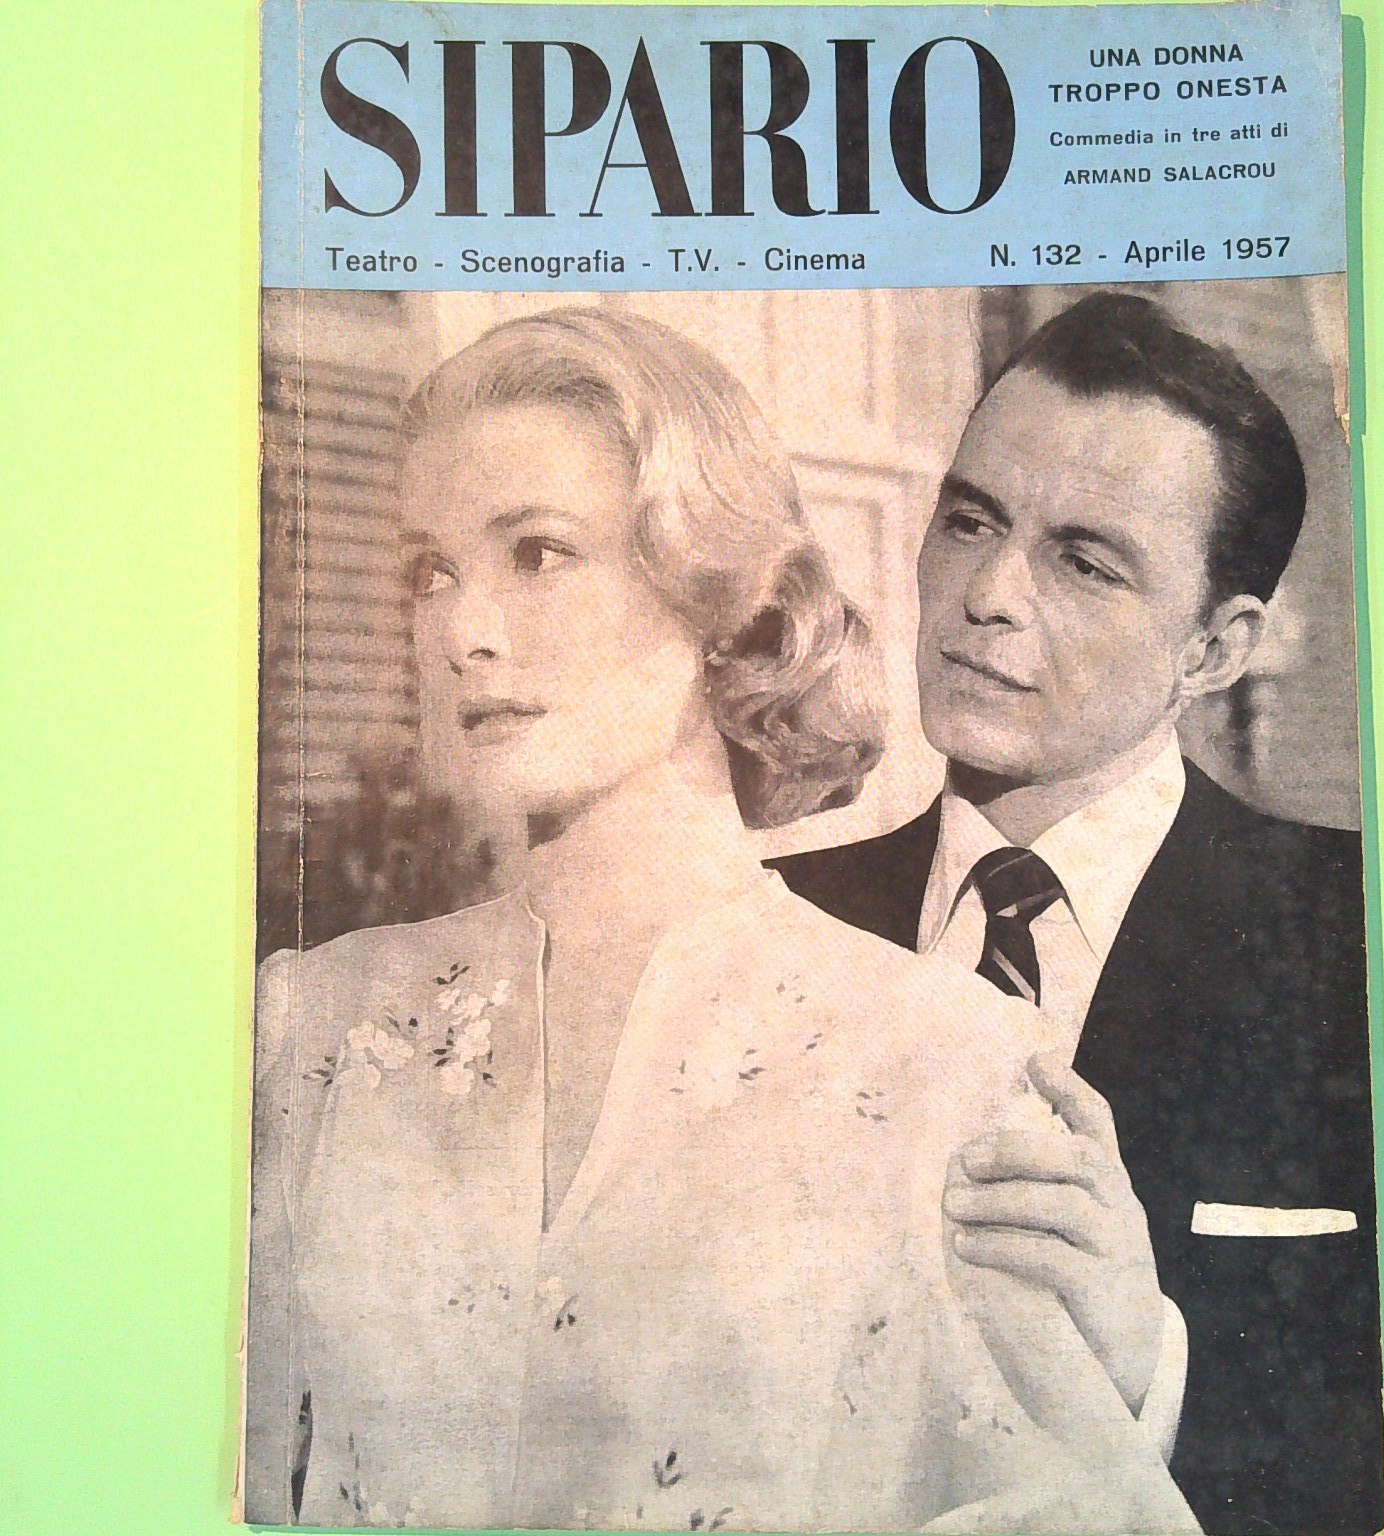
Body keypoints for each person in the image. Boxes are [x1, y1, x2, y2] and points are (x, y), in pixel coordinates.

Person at [242, 306, 1198, 1532]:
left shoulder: (948, 1060)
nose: (464, 632)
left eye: (538, 553)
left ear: (725, 599)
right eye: (432, 571)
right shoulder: (305, 1027)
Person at [773, 292, 1384, 1535]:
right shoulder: (769, 929)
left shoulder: (1364, 946)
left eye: (1085, 561)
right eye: (970, 521)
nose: (989, 593)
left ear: (1215, 651)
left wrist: (1149, 1357)